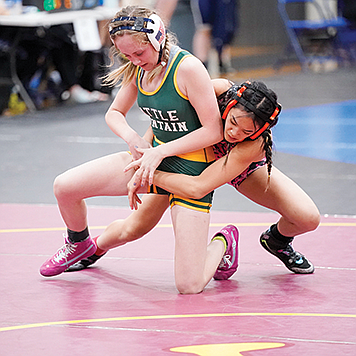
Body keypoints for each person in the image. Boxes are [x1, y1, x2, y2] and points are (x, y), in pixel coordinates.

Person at [39, 5, 240, 294]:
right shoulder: (138, 69)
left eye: (139, 54)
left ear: (158, 39)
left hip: (191, 171)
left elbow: (213, 131)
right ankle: (79, 242)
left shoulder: (188, 68)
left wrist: (160, 151)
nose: (134, 61)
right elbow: (114, 113)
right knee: (65, 187)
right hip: (150, 161)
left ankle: (224, 242)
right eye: (127, 56)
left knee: (189, 285)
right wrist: (135, 140)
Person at [69, 78, 320, 278]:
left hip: (235, 168)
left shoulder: (254, 144)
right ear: (229, 105)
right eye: (232, 122)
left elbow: (198, 186)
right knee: (134, 228)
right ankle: (93, 248)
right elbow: (167, 118)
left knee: (307, 218)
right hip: (188, 159)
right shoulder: (218, 90)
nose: (234, 133)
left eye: (247, 132)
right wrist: (149, 149)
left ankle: (276, 240)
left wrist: (150, 173)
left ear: (259, 132)